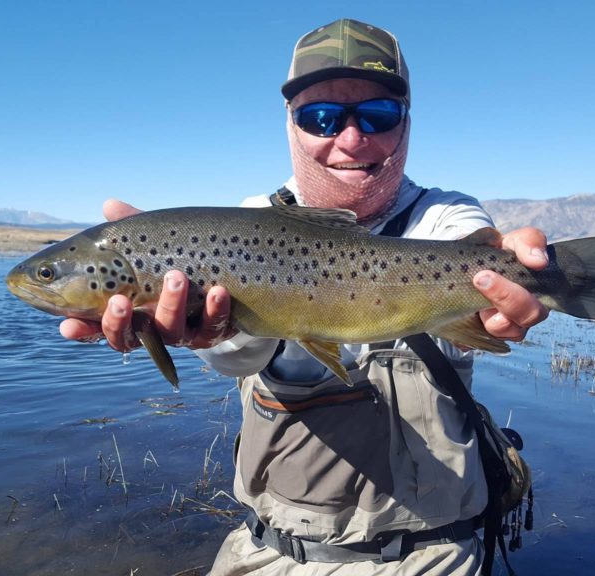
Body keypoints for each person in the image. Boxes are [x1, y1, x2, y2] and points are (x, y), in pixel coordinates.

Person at [61, 18, 550, 575]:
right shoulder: (245, 224)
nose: (350, 139)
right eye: (321, 118)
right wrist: (214, 334)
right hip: (271, 551)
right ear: (290, 125)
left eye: (378, 115)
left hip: (432, 556)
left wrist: (511, 286)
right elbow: (239, 361)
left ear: (407, 123)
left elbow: (470, 262)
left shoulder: (444, 218)